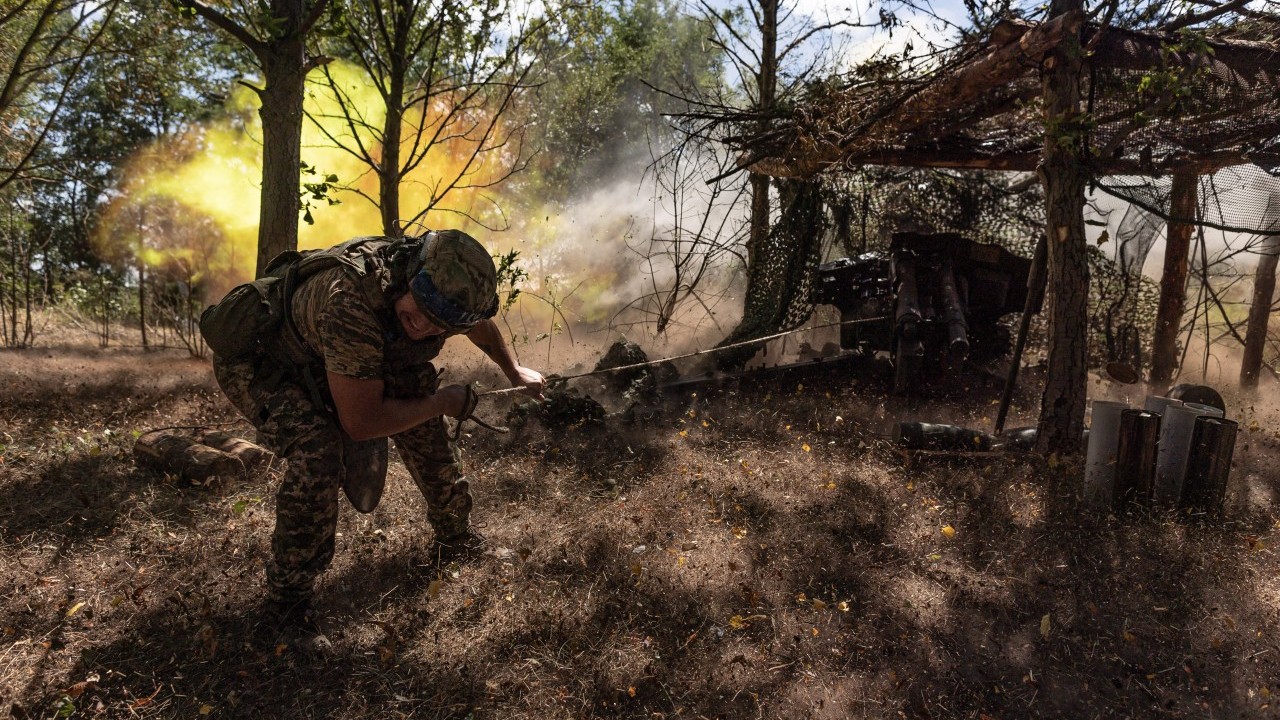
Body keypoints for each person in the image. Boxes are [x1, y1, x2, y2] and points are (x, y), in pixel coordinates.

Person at [207, 230, 543, 643]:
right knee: (318, 449)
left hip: (335, 352)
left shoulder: (442, 293)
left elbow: (480, 326)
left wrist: (514, 370)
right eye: (420, 310)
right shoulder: (350, 301)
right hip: (267, 363)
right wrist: (443, 402)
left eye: (440, 323)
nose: (422, 327)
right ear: (409, 277)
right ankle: (286, 608)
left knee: (416, 399)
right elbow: (362, 422)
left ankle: (456, 536)